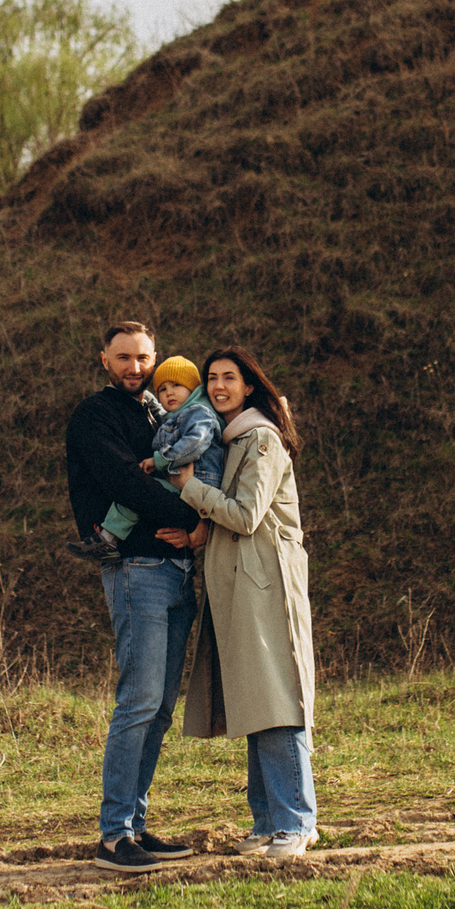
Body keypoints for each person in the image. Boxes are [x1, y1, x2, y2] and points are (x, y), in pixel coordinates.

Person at [62, 321, 206, 875]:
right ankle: (114, 836)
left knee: (160, 709)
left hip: (176, 569)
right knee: (139, 702)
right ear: (104, 359)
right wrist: (196, 513)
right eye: (123, 357)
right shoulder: (94, 416)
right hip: (135, 568)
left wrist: (195, 529)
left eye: (144, 358)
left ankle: (136, 826)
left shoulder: (158, 411)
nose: (135, 368)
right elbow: (128, 484)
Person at [169, 348, 318, 857]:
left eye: (229, 378)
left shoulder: (261, 439)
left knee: (277, 701)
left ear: (249, 386)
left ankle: (296, 822)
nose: (218, 386)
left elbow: (248, 515)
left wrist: (190, 490)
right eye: (211, 379)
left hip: (266, 585)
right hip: (240, 586)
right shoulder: (230, 440)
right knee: (255, 703)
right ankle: (267, 821)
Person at [74, 357, 227, 565]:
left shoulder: (199, 413)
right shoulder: (176, 414)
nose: (169, 392)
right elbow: (157, 409)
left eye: (176, 385)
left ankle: (107, 539)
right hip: (185, 484)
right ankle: (107, 540)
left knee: (139, 494)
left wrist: (159, 461)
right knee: (134, 500)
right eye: (162, 389)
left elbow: (195, 443)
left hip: (199, 482)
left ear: (192, 389)